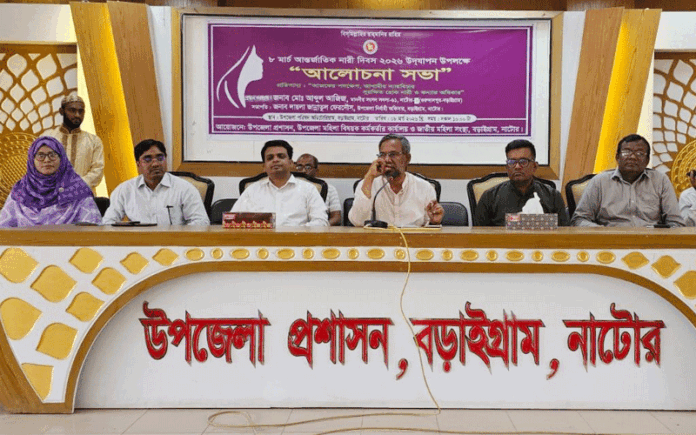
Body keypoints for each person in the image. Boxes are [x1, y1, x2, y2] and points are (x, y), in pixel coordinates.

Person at [571, 134, 684, 227]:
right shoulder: (600, 182)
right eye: (626, 152)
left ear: (647, 160)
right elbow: (579, 219)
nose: (633, 157)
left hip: (651, 241)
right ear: (617, 157)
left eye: (640, 153)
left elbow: (676, 223)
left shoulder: (660, 181)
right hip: (610, 240)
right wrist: (601, 232)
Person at [102, 139, 209, 225]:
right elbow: (108, 222)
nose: (155, 164)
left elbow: (201, 222)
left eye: (160, 158)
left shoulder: (184, 188)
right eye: (148, 159)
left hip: (175, 243)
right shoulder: (125, 189)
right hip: (137, 243)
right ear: (138, 164)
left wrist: (176, 236)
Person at [0, 136, 101, 227]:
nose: (47, 160)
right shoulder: (21, 191)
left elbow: (93, 230)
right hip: (24, 242)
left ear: (62, 158)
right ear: (32, 160)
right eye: (40, 155)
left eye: (52, 155)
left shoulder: (78, 190)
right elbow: (3, 229)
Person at [348, 134, 443, 227]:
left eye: (393, 154)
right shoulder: (368, 184)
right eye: (382, 155)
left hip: (412, 237)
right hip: (379, 237)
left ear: (407, 158)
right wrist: (369, 176)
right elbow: (358, 222)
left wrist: (434, 222)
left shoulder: (425, 188)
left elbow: (429, 229)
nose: (387, 159)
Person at [232, 140, 328, 226]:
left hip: (297, 239)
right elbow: (233, 221)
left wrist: (293, 233)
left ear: (291, 163)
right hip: (260, 239)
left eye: (281, 156)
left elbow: (321, 222)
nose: (275, 160)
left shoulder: (308, 189)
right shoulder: (252, 190)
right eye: (270, 158)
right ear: (264, 166)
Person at [474, 139, 568, 227]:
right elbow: (479, 235)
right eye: (512, 162)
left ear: (534, 166)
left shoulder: (552, 196)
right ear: (507, 167)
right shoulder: (490, 197)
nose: (517, 167)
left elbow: (564, 233)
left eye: (523, 162)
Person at [45, 93, 105, 190]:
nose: (77, 115)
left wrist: (76, 185)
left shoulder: (94, 141)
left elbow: (97, 171)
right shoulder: (47, 138)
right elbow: (38, 168)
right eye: (72, 110)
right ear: (61, 111)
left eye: (81, 111)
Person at [295, 153, 341, 226]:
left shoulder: (329, 188)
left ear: (316, 170)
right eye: (299, 167)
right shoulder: (290, 187)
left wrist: (322, 226)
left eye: (308, 167)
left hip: (319, 228)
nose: (303, 171)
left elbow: (336, 217)